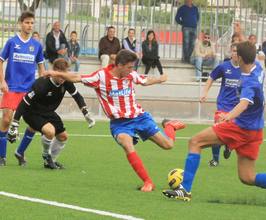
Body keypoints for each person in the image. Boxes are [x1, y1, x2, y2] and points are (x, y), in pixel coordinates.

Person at [162, 41, 266, 206]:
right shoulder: (257, 67)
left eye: (235, 53)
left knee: (195, 142)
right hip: (255, 130)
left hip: (240, 127)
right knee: (247, 177)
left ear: (240, 58)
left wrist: (228, 117)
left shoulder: (250, 81)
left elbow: (243, 103)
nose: (232, 55)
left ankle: (184, 190)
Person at [45, 49, 186, 192]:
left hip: (139, 117)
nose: (132, 70)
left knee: (168, 145)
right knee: (127, 144)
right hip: (120, 124)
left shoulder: (130, 75)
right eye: (129, 67)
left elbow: (145, 80)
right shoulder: (101, 76)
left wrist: (160, 78)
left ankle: (170, 126)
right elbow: (77, 77)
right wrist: (55, 73)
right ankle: (148, 182)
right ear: (119, 64)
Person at [7, 58, 95, 168]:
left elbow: (77, 96)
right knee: (50, 131)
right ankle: (46, 157)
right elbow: (24, 102)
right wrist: (15, 123)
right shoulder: (41, 84)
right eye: (60, 75)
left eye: (65, 74)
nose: (62, 78)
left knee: (63, 137)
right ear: (54, 72)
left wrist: (85, 112)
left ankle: (49, 160)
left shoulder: (66, 81)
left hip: (48, 112)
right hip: (32, 112)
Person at [0, 11, 45, 166]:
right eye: (27, 22)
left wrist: (42, 85)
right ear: (20, 24)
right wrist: (2, 81)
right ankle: (1, 156)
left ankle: (20, 153)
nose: (29, 25)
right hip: (11, 87)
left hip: (29, 89)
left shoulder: (37, 45)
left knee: (34, 124)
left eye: (32, 23)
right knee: (6, 119)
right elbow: (0, 61)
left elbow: (41, 68)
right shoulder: (12, 42)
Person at [200, 44, 240, 166]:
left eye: (238, 52)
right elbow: (211, 77)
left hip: (237, 109)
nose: (236, 54)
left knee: (235, 134)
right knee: (217, 132)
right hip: (223, 105)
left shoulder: (245, 70)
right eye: (234, 51)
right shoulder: (224, 67)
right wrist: (205, 92)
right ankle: (215, 159)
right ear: (230, 52)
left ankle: (229, 146)